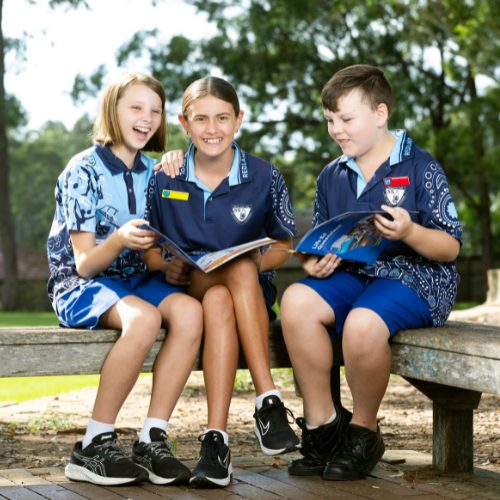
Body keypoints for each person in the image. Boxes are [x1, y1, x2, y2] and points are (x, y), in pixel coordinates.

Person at [280, 64, 462, 481]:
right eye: (330, 120)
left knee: (361, 325)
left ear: (380, 114)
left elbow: (450, 246)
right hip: (357, 274)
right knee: (295, 300)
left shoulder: (420, 166)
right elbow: (323, 239)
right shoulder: (332, 174)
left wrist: (411, 231)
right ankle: (323, 427)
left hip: (419, 278)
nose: (336, 130)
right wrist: (313, 261)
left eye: (346, 119)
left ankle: (363, 431)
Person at [46, 72, 203, 486]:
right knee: (145, 320)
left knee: (189, 311)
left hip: (135, 281)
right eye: (136, 107)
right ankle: (94, 445)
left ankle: (152, 439)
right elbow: (84, 264)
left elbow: (152, 250)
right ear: (113, 111)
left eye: (155, 110)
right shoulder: (82, 170)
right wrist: (117, 239)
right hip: (81, 284)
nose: (146, 118)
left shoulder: (155, 172)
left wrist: (166, 265)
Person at [144, 76, 299, 488]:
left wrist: (255, 258)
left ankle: (216, 442)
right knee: (224, 283)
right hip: (185, 288)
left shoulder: (265, 176)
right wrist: (165, 266)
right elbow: (148, 248)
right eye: (201, 119)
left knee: (232, 284)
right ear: (184, 123)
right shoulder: (164, 176)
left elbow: (285, 245)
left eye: (222, 118)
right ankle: (268, 400)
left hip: (245, 299)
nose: (212, 128)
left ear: (239, 120)